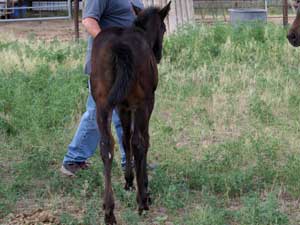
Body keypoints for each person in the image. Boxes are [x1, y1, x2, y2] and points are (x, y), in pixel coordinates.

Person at [60, 0, 144, 177]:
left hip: (126, 66)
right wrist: (111, 47)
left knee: (126, 113)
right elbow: (89, 21)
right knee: (97, 113)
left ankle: (130, 160)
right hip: (104, 66)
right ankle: (73, 160)